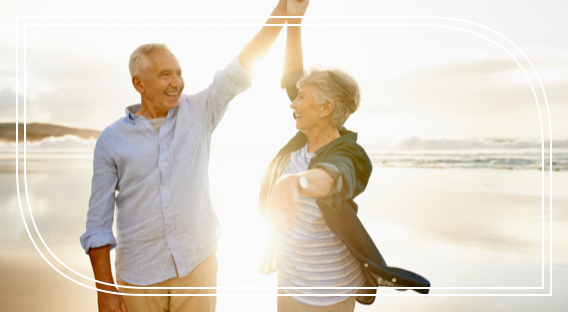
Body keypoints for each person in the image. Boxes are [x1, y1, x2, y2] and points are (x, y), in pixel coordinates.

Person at [79, 1, 290, 311]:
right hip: (139, 275)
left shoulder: (199, 112)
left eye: (179, 73)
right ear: (139, 83)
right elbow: (97, 223)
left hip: (197, 266)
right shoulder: (112, 140)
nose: (177, 82)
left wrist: (283, 10)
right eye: (166, 75)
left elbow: (240, 69)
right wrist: (105, 289)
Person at [258, 1, 431, 311]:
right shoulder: (303, 139)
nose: (292, 103)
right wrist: (294, 21)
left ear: (326, 109)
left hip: (327, 293)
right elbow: (293, 75)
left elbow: (331, 177)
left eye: (301, 97)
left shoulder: (349, 153)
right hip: (290, 282)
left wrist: (295, 183)